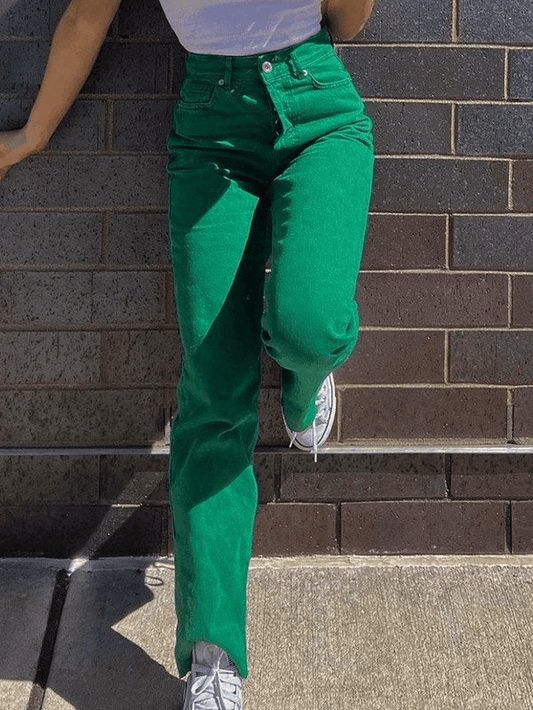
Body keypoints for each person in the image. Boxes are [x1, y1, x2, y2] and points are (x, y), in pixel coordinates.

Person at [0, 0, 375, 707]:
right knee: (212, 388)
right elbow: (85, 19)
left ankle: (305, 372)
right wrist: (32, 135)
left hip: (320, 108)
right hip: (211, 130)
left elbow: (348, 22)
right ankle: (213, 654)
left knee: (309, 326)